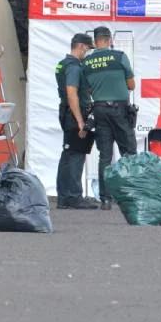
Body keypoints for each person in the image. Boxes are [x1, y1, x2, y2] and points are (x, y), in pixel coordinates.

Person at [82, 26, 136, 209]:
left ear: (95, 41)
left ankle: (105, 199)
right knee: (128, 153)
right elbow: (131, 85)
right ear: (110, 40)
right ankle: (130, 195)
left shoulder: (87, 62)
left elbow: (87, 90)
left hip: (99, 110)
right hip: (120, 109)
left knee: (105, 156)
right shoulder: (120, 56)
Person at [55, 33, 99, 209]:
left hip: (67, 112)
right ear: (81, 46)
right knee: (76, 155)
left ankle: (64, 197)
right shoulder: (74, 67)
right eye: (88, 49)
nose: (88, 53)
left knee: (68, 154)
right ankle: (74, 196)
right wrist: (80, 120)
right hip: (75, 113)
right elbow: (72, 92)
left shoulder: (62, 64)